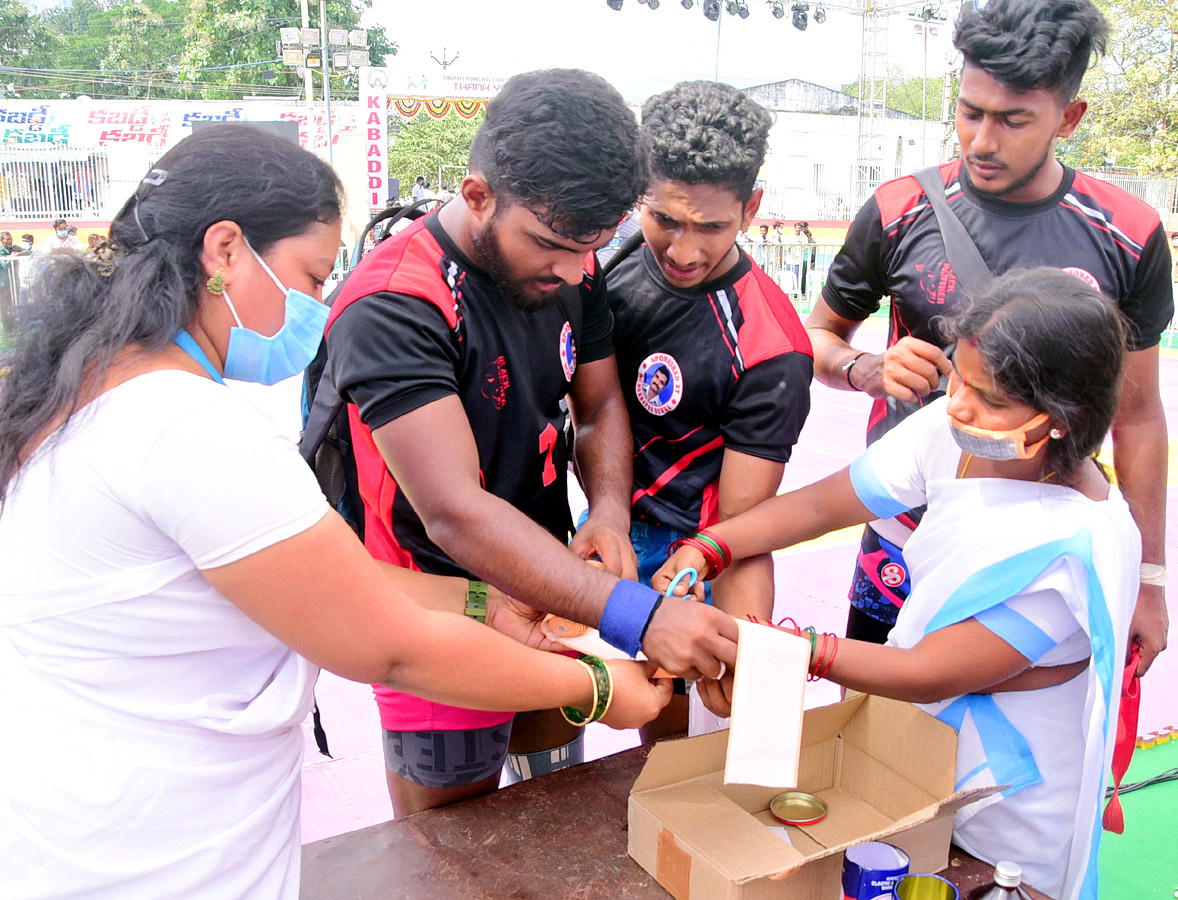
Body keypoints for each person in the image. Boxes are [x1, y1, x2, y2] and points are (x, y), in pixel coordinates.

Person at [0, 125, 674, 899]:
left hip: (93, 826)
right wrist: (595, 684)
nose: (318, 303)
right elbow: (392, 650)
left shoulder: (83, 389)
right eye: (314, 275)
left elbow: (326, 577)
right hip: (153, 857)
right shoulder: (186, 430)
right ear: (225, 251)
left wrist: (483, 600)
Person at [324, 69, 738, 817]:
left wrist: (608, 510)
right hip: (442, 609)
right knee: (450, 847)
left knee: (551, 806)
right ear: (478, 194)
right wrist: (638, 616)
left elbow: (601, 397)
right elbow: (455, 512)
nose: (577, 270)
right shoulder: (395, 305)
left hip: (548, 587)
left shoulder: (571, 263)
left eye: (594, 247)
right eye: (551, 245)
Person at [658, 268, 1138, 900]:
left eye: (991, 398)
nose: (959, 404)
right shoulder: (955, 431)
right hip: (911, 752)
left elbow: (927, 670)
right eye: (959, 377)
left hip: (1008, 804)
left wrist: (790, 648)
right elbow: (821, 506)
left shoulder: (1073, 549)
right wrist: (712, 544)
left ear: (1060, 419)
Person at [804, 0, 1172, 675]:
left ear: (1069, 118)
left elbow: (1140, 415)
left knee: (1014, 751)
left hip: (1045, 556)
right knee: (866, 733)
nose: (980, 140)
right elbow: (820, 340)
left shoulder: (1130, 232)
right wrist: (866, 368)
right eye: (970, 112)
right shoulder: (895, 208)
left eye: (1011, 120)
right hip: (905, 534)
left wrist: (1148, 579)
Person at [602, 81, 813, 738]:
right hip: (599, 527)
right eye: (666, 219)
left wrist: (744, 647)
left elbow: (743, 528)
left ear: (752, 207)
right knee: (563, 716)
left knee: (690, 734)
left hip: (692, 554)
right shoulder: (601, 264)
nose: (685, 251)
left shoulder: (771, 345)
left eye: (713, 226)